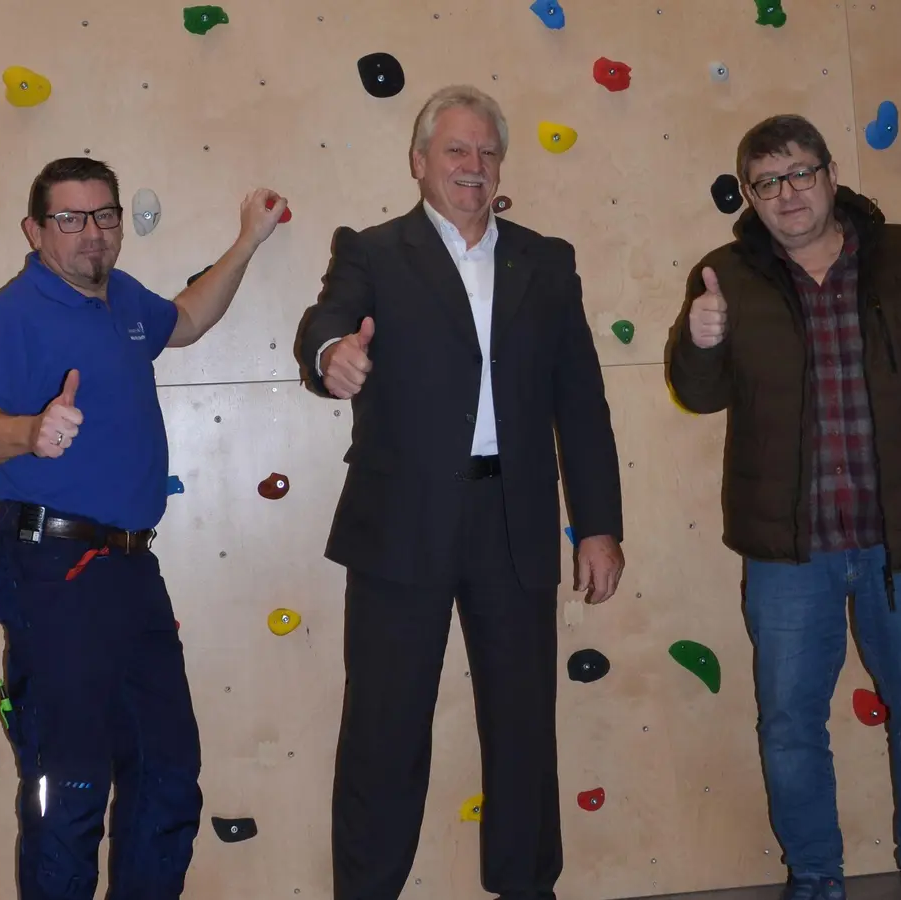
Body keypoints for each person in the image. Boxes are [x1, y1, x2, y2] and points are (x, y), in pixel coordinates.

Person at [295, 85, 625, 900]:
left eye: (487, 151)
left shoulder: (547, 261)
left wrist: (598, 526)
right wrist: (332, 353)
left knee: (523, 728)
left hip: (513, 519)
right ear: (419, 162)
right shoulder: (373, 252)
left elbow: (580, 401)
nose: (473, 165)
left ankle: (527, 888)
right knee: (383, 729)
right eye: (455, 149)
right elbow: (325, 322)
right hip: (400, 523)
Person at [665, 115, 901, 900]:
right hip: (789, 551)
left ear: (830, 173)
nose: (787, 193)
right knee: (790, 724)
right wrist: (700, 339)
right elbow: (699, 393)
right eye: (767, 182)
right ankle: (815, 877)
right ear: (750, 195)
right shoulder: (726, 274)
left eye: (800, 173)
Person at [0, 156, 287, 899]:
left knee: (168, 775)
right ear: (35, 231)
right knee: (70, 788)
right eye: (69, 218)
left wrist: (249, 240)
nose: (91, 232)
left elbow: (187, 319)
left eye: (104, 215)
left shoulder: (124, 299)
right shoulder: (9, 317)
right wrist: (28, 431)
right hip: (53, 568)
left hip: (131, 569)